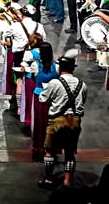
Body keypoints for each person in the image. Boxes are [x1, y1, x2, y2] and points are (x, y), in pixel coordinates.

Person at [38, 49, 87, 188]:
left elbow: (43, 99)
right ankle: (67, 181)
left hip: (56, 121)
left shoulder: (55, 83)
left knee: (50, 150)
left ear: (60, 68)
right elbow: (83, 102)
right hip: (75, 121)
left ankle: (48, 179)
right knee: (70, 152)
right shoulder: (82, 85)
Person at [30, 42, 58, 161]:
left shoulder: (35, 65)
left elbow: (33, 77)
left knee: (39, 123)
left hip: (39, 97)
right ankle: (52, 147)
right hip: (53, 98)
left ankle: (40, 147)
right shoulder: (56, 66)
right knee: (51, 123)